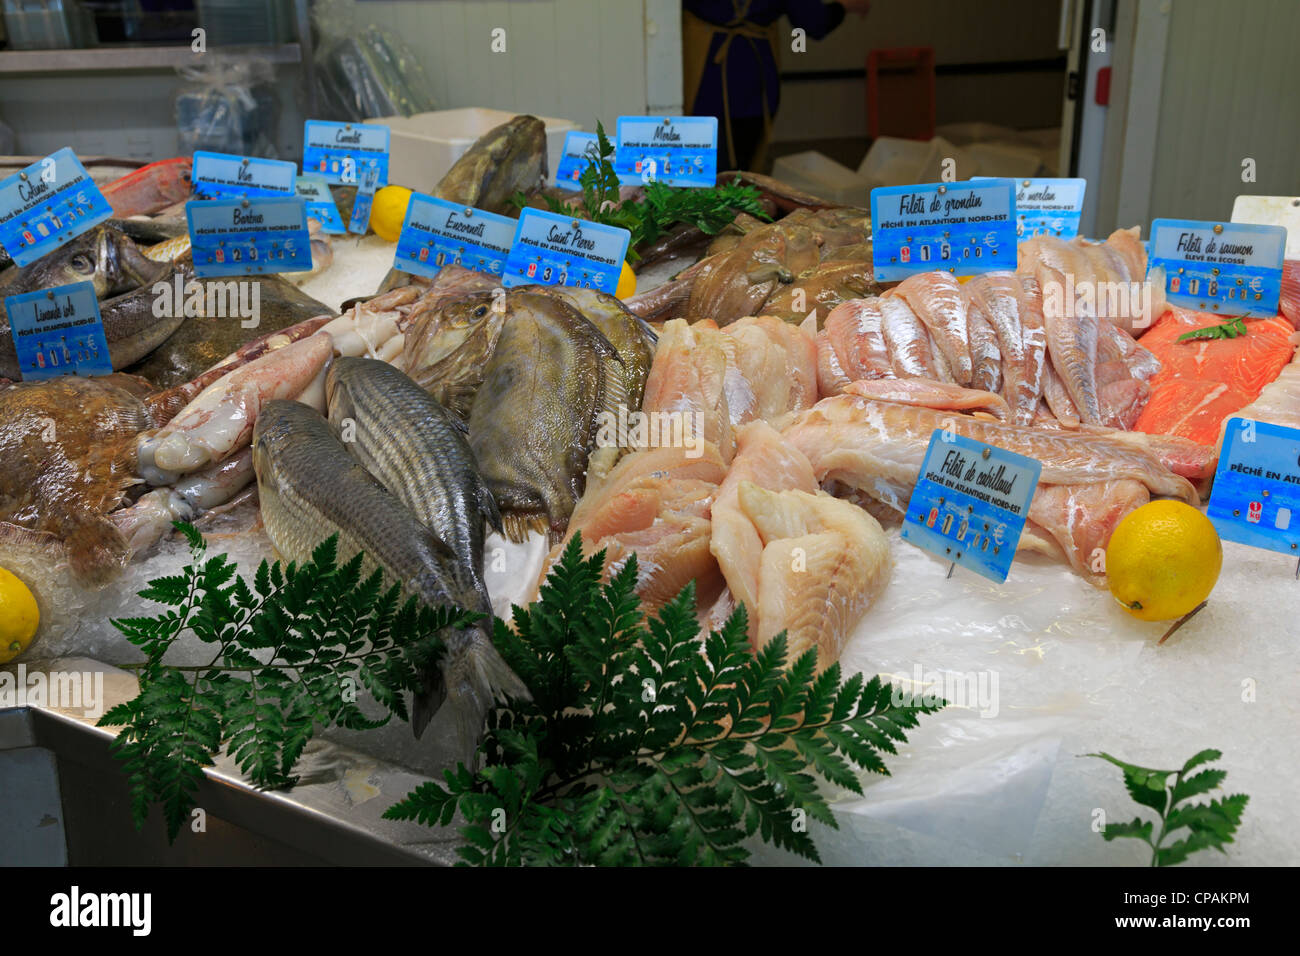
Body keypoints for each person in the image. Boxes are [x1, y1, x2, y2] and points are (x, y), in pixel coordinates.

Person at [683, 0, 871, 171]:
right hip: (751, 82)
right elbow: (813, 22)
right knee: (742, 178)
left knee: (690, 174)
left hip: (699, 78)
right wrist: (846, 6)